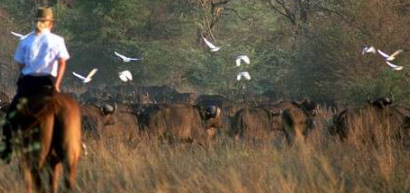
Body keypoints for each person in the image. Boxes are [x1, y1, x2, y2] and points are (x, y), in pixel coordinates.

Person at [0, 7, 70, 162]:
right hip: (49, 83)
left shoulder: (25, 40)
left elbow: (20, 64)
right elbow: (62, 63)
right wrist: (57, 85)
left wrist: (25, 77)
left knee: (11, 113)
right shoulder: (58, 40)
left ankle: (6, 148)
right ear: (50, 24)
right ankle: (78, 143)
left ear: (35, 23)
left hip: (29, 84)